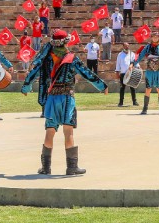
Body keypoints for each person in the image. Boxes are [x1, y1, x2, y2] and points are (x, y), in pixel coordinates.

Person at [21, 29, 108, 175]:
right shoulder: (71, 58)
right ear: (66, 42)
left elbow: (33, 73)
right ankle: (72, 167)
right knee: (68, 132)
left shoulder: (46, 59)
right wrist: (102, 85)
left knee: (50, 132)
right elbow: (87, 73)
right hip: (67, 98)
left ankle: (46, 168)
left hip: (51, 99)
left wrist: (26, 87)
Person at [115, 43, 138, 107]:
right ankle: (121, 102)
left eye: (128, 46)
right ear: (123, 46)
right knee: (122, 88)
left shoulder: (132, 54)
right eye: (126, 46)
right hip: (123, 73)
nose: (127, 47)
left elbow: (135, 62)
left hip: (131, 73)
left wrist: (137, 67)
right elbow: (118, 64)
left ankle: (134, 101)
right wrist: (117, 72)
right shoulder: (120, 54)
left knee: (132, 88)